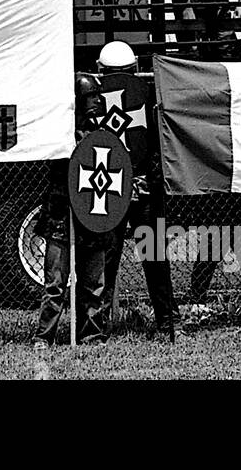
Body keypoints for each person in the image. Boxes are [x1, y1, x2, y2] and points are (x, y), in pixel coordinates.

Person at [95, 42, 179, 337]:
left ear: (101, 67)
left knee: (106, 261)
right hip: (145, 188)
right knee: (156, 257)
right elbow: (159, 141)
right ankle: (169, 324)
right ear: (133, 66)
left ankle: (96, 328)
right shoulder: (147, 92)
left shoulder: (92, 93)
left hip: (106, 188)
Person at [32, 72, 112, 346]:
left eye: (97, 96)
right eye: (90, 96)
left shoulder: (102, 136)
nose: (96, 101)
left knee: (93, 284)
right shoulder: (59, 135)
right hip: (62, 216)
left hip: (93, 214)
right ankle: (45, 336)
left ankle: (92, 335)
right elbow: (57, 173)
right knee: (55, 283)